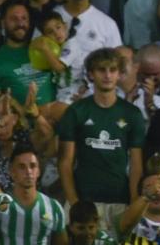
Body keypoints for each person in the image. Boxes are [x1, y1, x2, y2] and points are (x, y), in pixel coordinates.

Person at [58, 48, 146, 233]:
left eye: (113, 70)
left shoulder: (132, 114)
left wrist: (133, 200)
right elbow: (65, 162)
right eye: (101, 70)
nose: (107, 75)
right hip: (83, 200)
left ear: (120, 73)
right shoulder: (76, 111)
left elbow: (136, 163)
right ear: (91, 74)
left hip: (120, 201)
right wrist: (74, 203)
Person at [55, 0, 123, 102]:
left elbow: (117, 66)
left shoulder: (107, 24)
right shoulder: (51, 18)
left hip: (96, 99)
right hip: (58, 96)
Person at [0, 0, 55, 107]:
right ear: (2, 23)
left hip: (57, 117)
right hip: (22, 121)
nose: (20, 23)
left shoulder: (44, 48)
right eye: (14, 19)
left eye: (24, 18)